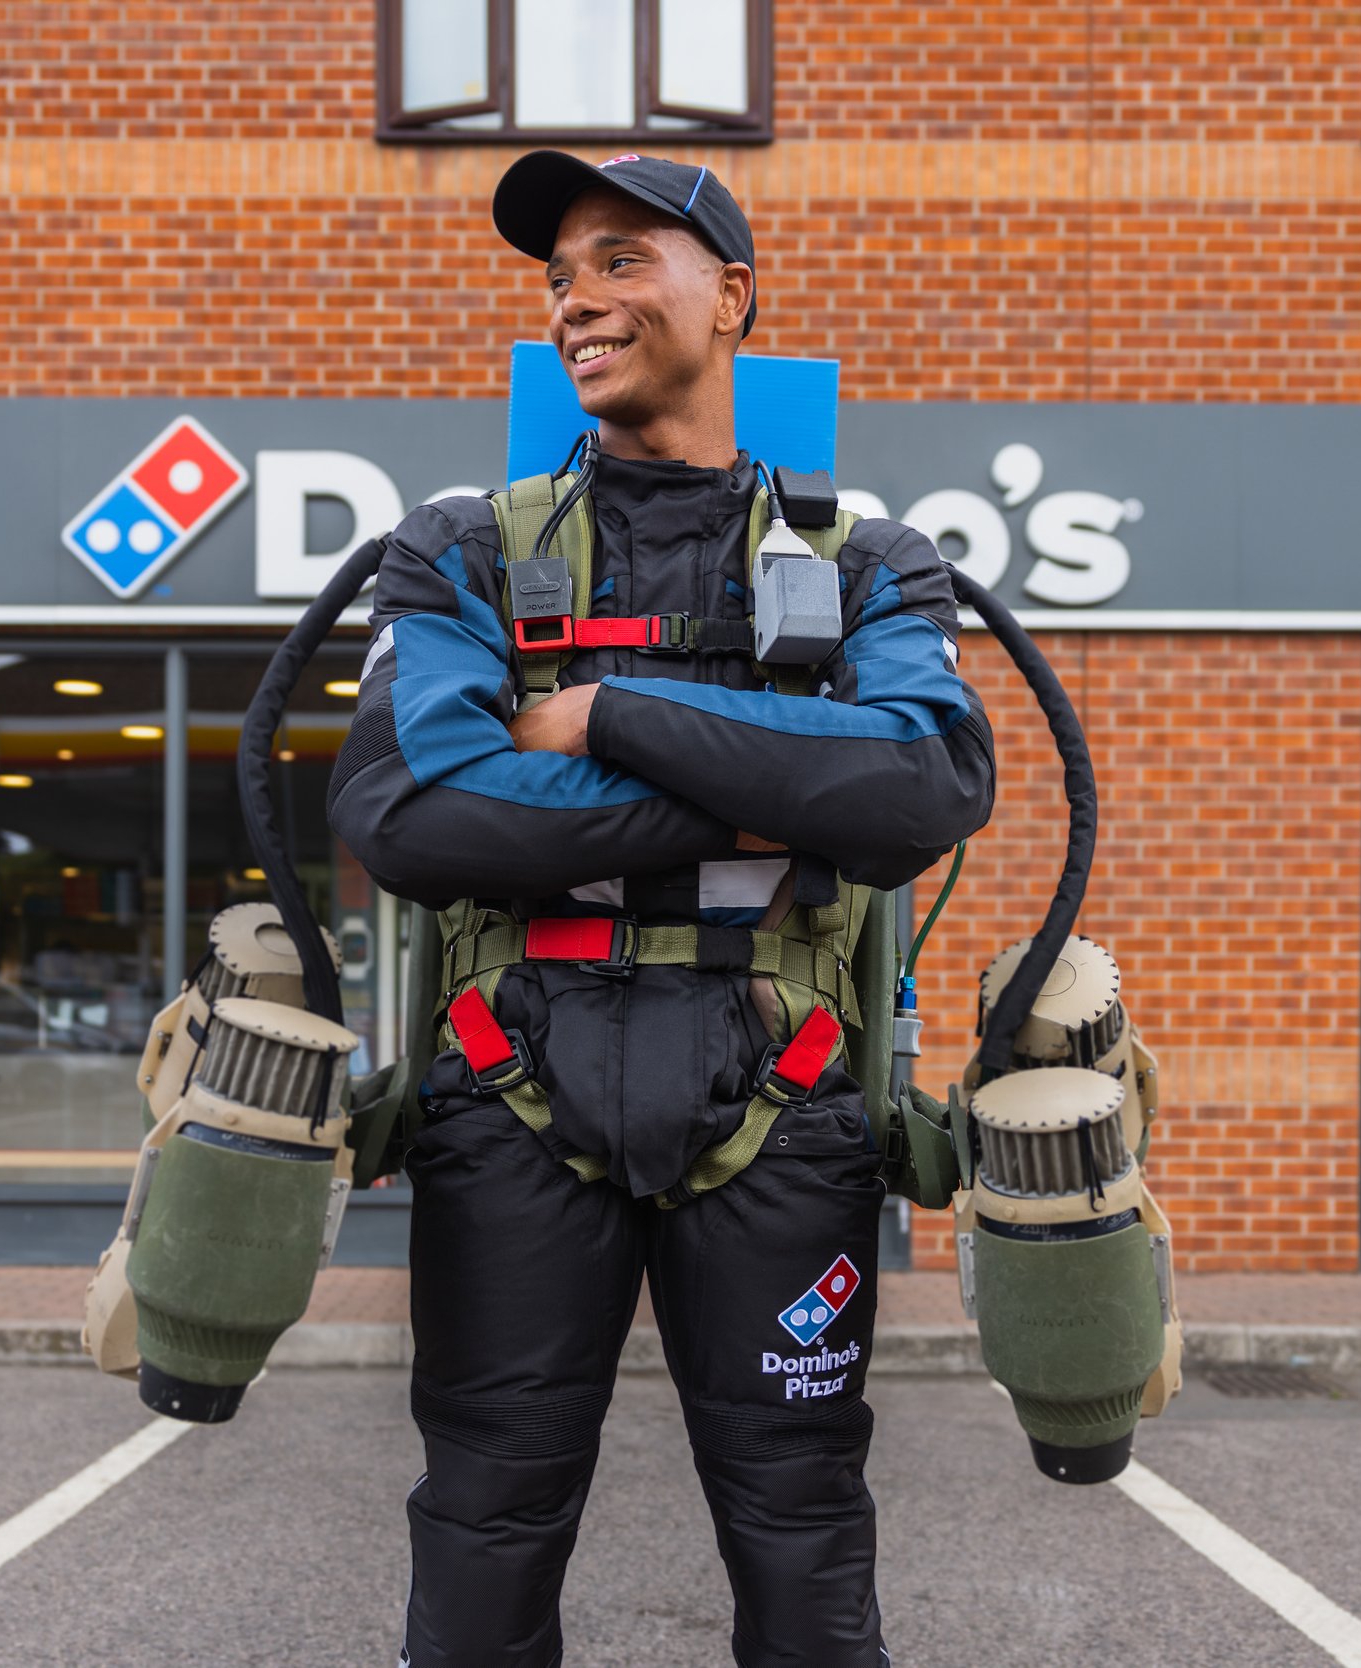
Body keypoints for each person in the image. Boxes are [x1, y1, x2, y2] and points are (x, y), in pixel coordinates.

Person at [328, 150, 995, 1668]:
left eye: (623, 261)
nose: (579, 299)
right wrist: (786, 799)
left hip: (788, 1097)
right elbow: (409, 819)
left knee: (803, 1526)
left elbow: (928, 789)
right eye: (562, 274)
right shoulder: (463, 550)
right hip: (507, 1093)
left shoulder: (869, 559)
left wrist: (606, 715)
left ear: (731, 297)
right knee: (484, 1524)